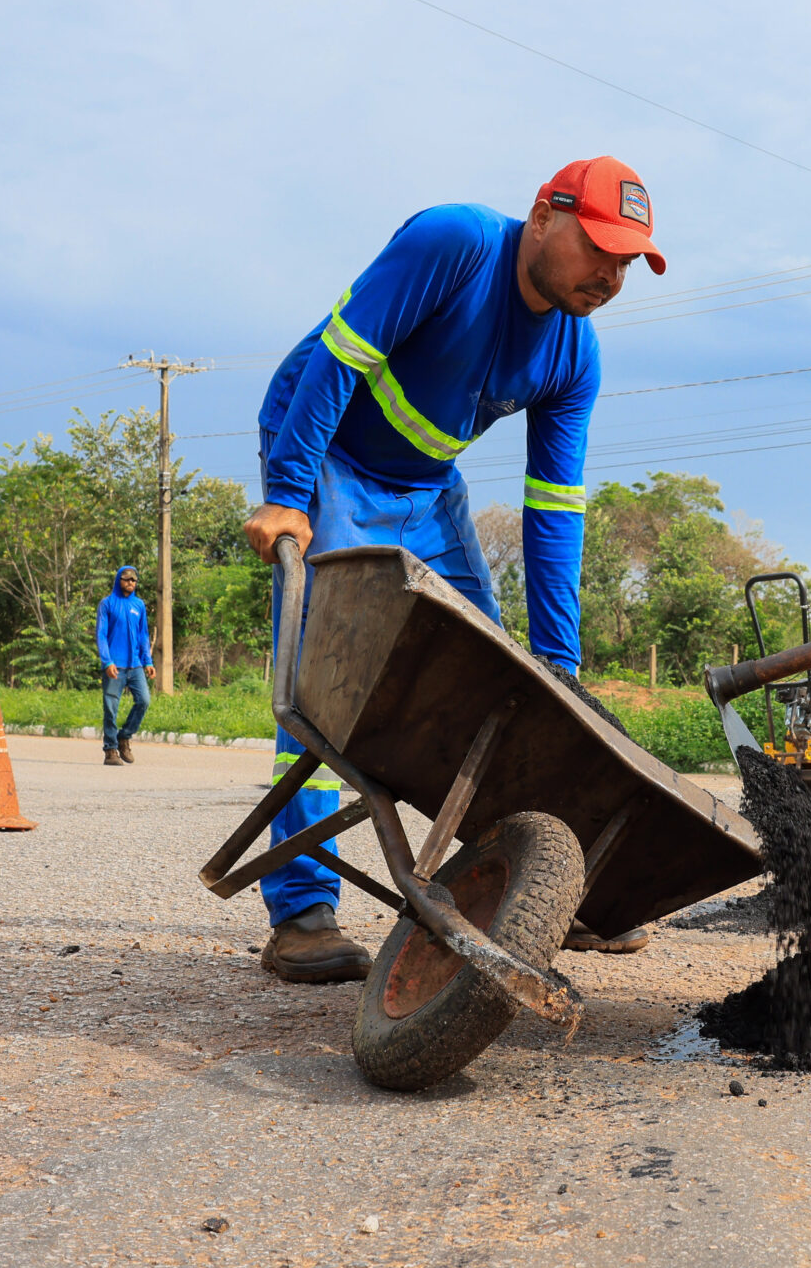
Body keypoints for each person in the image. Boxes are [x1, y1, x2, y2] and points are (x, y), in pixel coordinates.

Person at [240, 157, 665, 983]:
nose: (610, 275)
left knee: (505, 692)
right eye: (599, 248)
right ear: (544, 214)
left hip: (426, 489)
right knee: (327, 689)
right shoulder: (456, 243)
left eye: (626, 262)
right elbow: (334, 361)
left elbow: (555, 514)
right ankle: (301, 914)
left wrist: (561, 663)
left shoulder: (576, 357)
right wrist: (290, 492)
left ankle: (530, 893)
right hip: (326, 454)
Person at [95, 565, 151, 767]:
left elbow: (143, 634)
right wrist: (107, 661)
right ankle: (110, 750)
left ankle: (124, 737)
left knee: (144, 700)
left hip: (135, 665)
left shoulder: (139, 605)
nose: (130, 583)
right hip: (114, 666)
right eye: (126, 579)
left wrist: (148, 661)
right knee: (111, 708)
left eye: (134, 580)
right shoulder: (107, 604)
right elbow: (101, 634)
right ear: (119, 580)